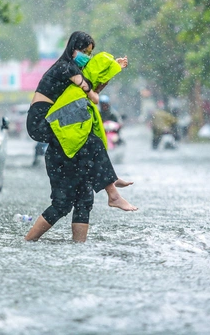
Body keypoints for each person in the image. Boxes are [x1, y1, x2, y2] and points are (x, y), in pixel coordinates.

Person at [24, 32, 136, 243]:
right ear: (73, 48)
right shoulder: (66, 67)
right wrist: (106, 72)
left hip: (60, 135)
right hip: (43, 123)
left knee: (84, 197)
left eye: (90, 53)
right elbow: (91, 93)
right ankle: (112, 189)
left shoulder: (75, 70)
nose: (87, 56)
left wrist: (113, 71)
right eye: (84, 52)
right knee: (91, 142)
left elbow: (93, 87)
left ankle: (78, 249)